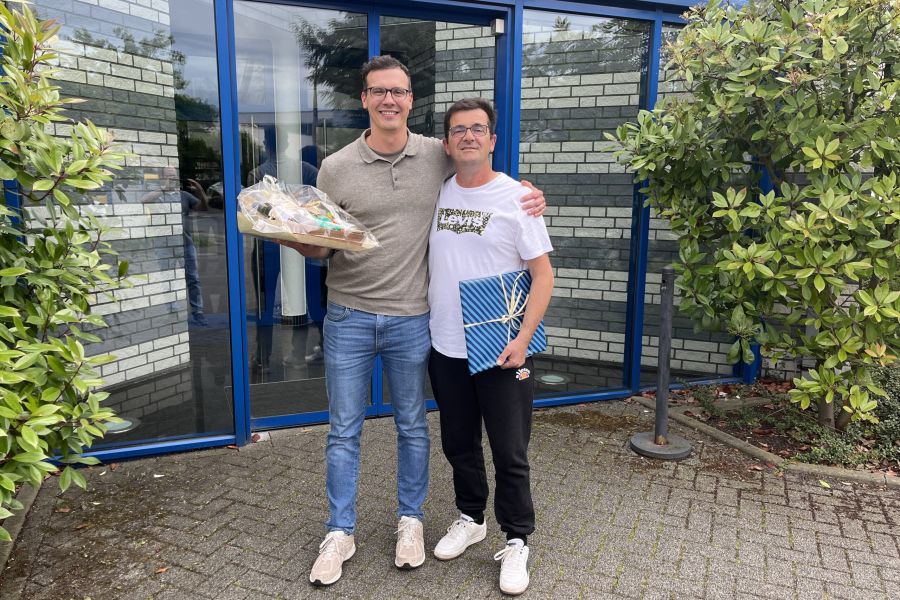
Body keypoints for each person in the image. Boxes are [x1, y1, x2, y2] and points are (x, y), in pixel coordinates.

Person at [276, 55, 545, 587]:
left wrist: (531, 195)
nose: (389, 100)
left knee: (415, 428)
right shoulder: (336, 167)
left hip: (413, 320)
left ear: (410, 100)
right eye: (379, 91)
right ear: (364, 99)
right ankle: (341, 532)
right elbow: (325, 246)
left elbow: (484, 177)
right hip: (351, 316)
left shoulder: (435, 156)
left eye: (398, 91)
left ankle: (414, 523)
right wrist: (294, 237)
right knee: (346, 430)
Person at [427, 98, 553, 596]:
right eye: (459, 129)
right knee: (458, 443)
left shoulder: (517, 198)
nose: (468, 136)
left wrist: (523, 339)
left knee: (509, 450)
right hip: (447, 347)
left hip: (502, 350)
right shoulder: (439, 191)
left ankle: (517, 538)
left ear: (493, 140)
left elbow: (543, 275)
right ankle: (471, 518)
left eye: (478, 128)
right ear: (446, 143)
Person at [141, 166, 208, 327]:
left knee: (193, 279)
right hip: (164, 246)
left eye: (174, 176)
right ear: (162, 178)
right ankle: (172, 312)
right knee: (168, 279)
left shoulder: (184, 196)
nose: (172, 179)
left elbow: (203, 207)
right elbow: (143, 201)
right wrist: (163, 188)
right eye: (168, 176)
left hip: (186, 244)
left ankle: (198, 312)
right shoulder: (157, 195)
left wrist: (199, 190)